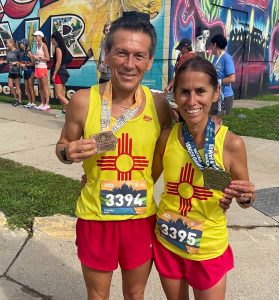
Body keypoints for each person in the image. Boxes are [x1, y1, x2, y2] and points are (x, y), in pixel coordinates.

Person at [55, 14, 173, 300]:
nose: (129, 64)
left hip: (140, 219)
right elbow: (62, 146)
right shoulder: (83, 101)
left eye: (138, 55)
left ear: (149, 60)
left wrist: (137, 182)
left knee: (135, 295)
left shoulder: (158, 105)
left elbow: (164, 158)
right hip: (95, 218)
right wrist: (67, 153)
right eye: (121, 52)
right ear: (107, 54)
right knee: (97, 296)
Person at [152, 56, 255, 300]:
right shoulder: (166, 138)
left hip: (207, 248)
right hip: (168, 240)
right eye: (184, 92)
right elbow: (146, 179)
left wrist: (246, 197)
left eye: (201, 91)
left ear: (216, 93)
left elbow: (243, 198)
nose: (192, 100)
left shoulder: (231, 144)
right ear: (175, 95)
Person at [210, 34, 235, 124]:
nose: (210, 48)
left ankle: (218, 137)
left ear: (215, 45)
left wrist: (218, 81)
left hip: (225, 96)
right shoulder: (216, 58)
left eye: (211, 45)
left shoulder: (227, 58)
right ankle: (216, 137)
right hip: (216, 94)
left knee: (215, 121)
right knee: (213, 121)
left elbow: (232, 78)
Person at [51, 31, 71, 118]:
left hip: (59, 72)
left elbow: (58, 63)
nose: (51, 41)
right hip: (62, 71)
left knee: (59, 94)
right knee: (62, 93)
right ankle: (64, 111)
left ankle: (73, 108)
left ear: (55, 39)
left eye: (52, 39)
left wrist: (54, 74)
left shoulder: (58, 49)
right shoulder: (60, 48)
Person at [31, 30, 51, 111]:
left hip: (43, 68)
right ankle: (42, 103)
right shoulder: (36, 46)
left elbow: (48, 58)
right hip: (37, 68)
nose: (35, 37)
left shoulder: (44, 45)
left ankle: (47, 104)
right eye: (35, 36)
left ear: (40, 37)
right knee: (40, 87)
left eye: (36, 36)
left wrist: (38, 58)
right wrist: (33, 57)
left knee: (45, 86)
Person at [0, 39, 22, 107]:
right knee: (10, 85)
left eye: (8, 43)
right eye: (6, 44)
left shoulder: (17, 51)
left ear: (12, 43)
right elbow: (7, 61)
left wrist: (16, 63)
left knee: (17, 87)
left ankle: (19, 100)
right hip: (11, 71)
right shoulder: (8, 51)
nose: (7, 45)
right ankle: (16, 99)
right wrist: (3, 62)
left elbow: (21, 61)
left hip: (17, 71)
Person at [19, 39, 36, 109]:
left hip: (30, 71)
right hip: (25, 71)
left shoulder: (29, 52)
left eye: (21, 43)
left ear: (24, 44)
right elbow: (23, 62)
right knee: (26, 88)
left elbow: (33, 63)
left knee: (31, 87)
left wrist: (26, 65)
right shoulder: (23, 52)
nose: (20, 44)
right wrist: (21, 64)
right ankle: (29, 102)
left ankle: (33, 103)